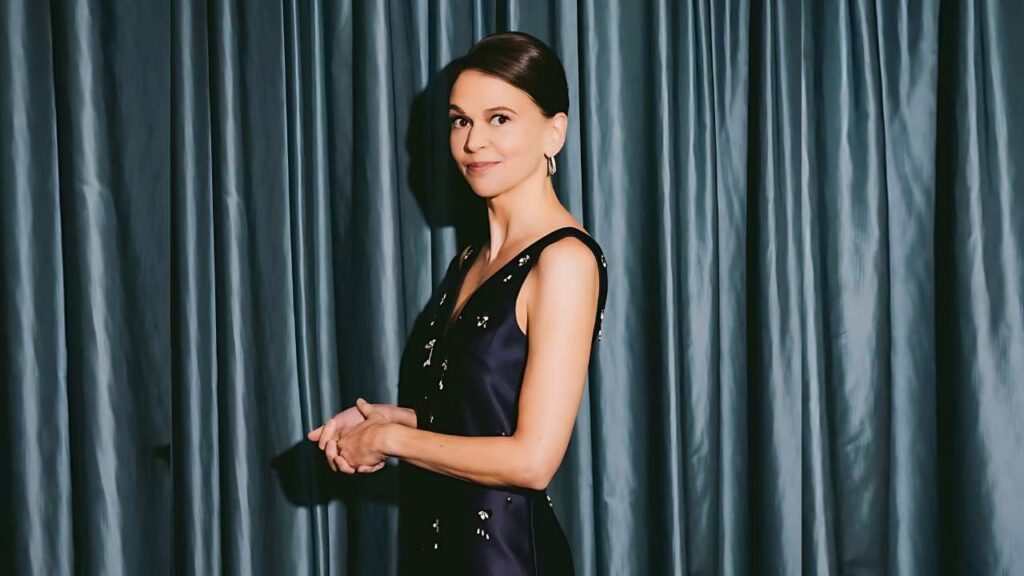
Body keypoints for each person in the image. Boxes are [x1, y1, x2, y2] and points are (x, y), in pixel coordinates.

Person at [307, 31, 608, 575]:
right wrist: (386, 419)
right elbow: (479, 414)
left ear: (554, 132)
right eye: (460, 121)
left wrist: (392, 439)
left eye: (499, 119)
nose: (472, 142)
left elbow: (533, 460)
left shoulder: (564, 260)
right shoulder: (473, 258)